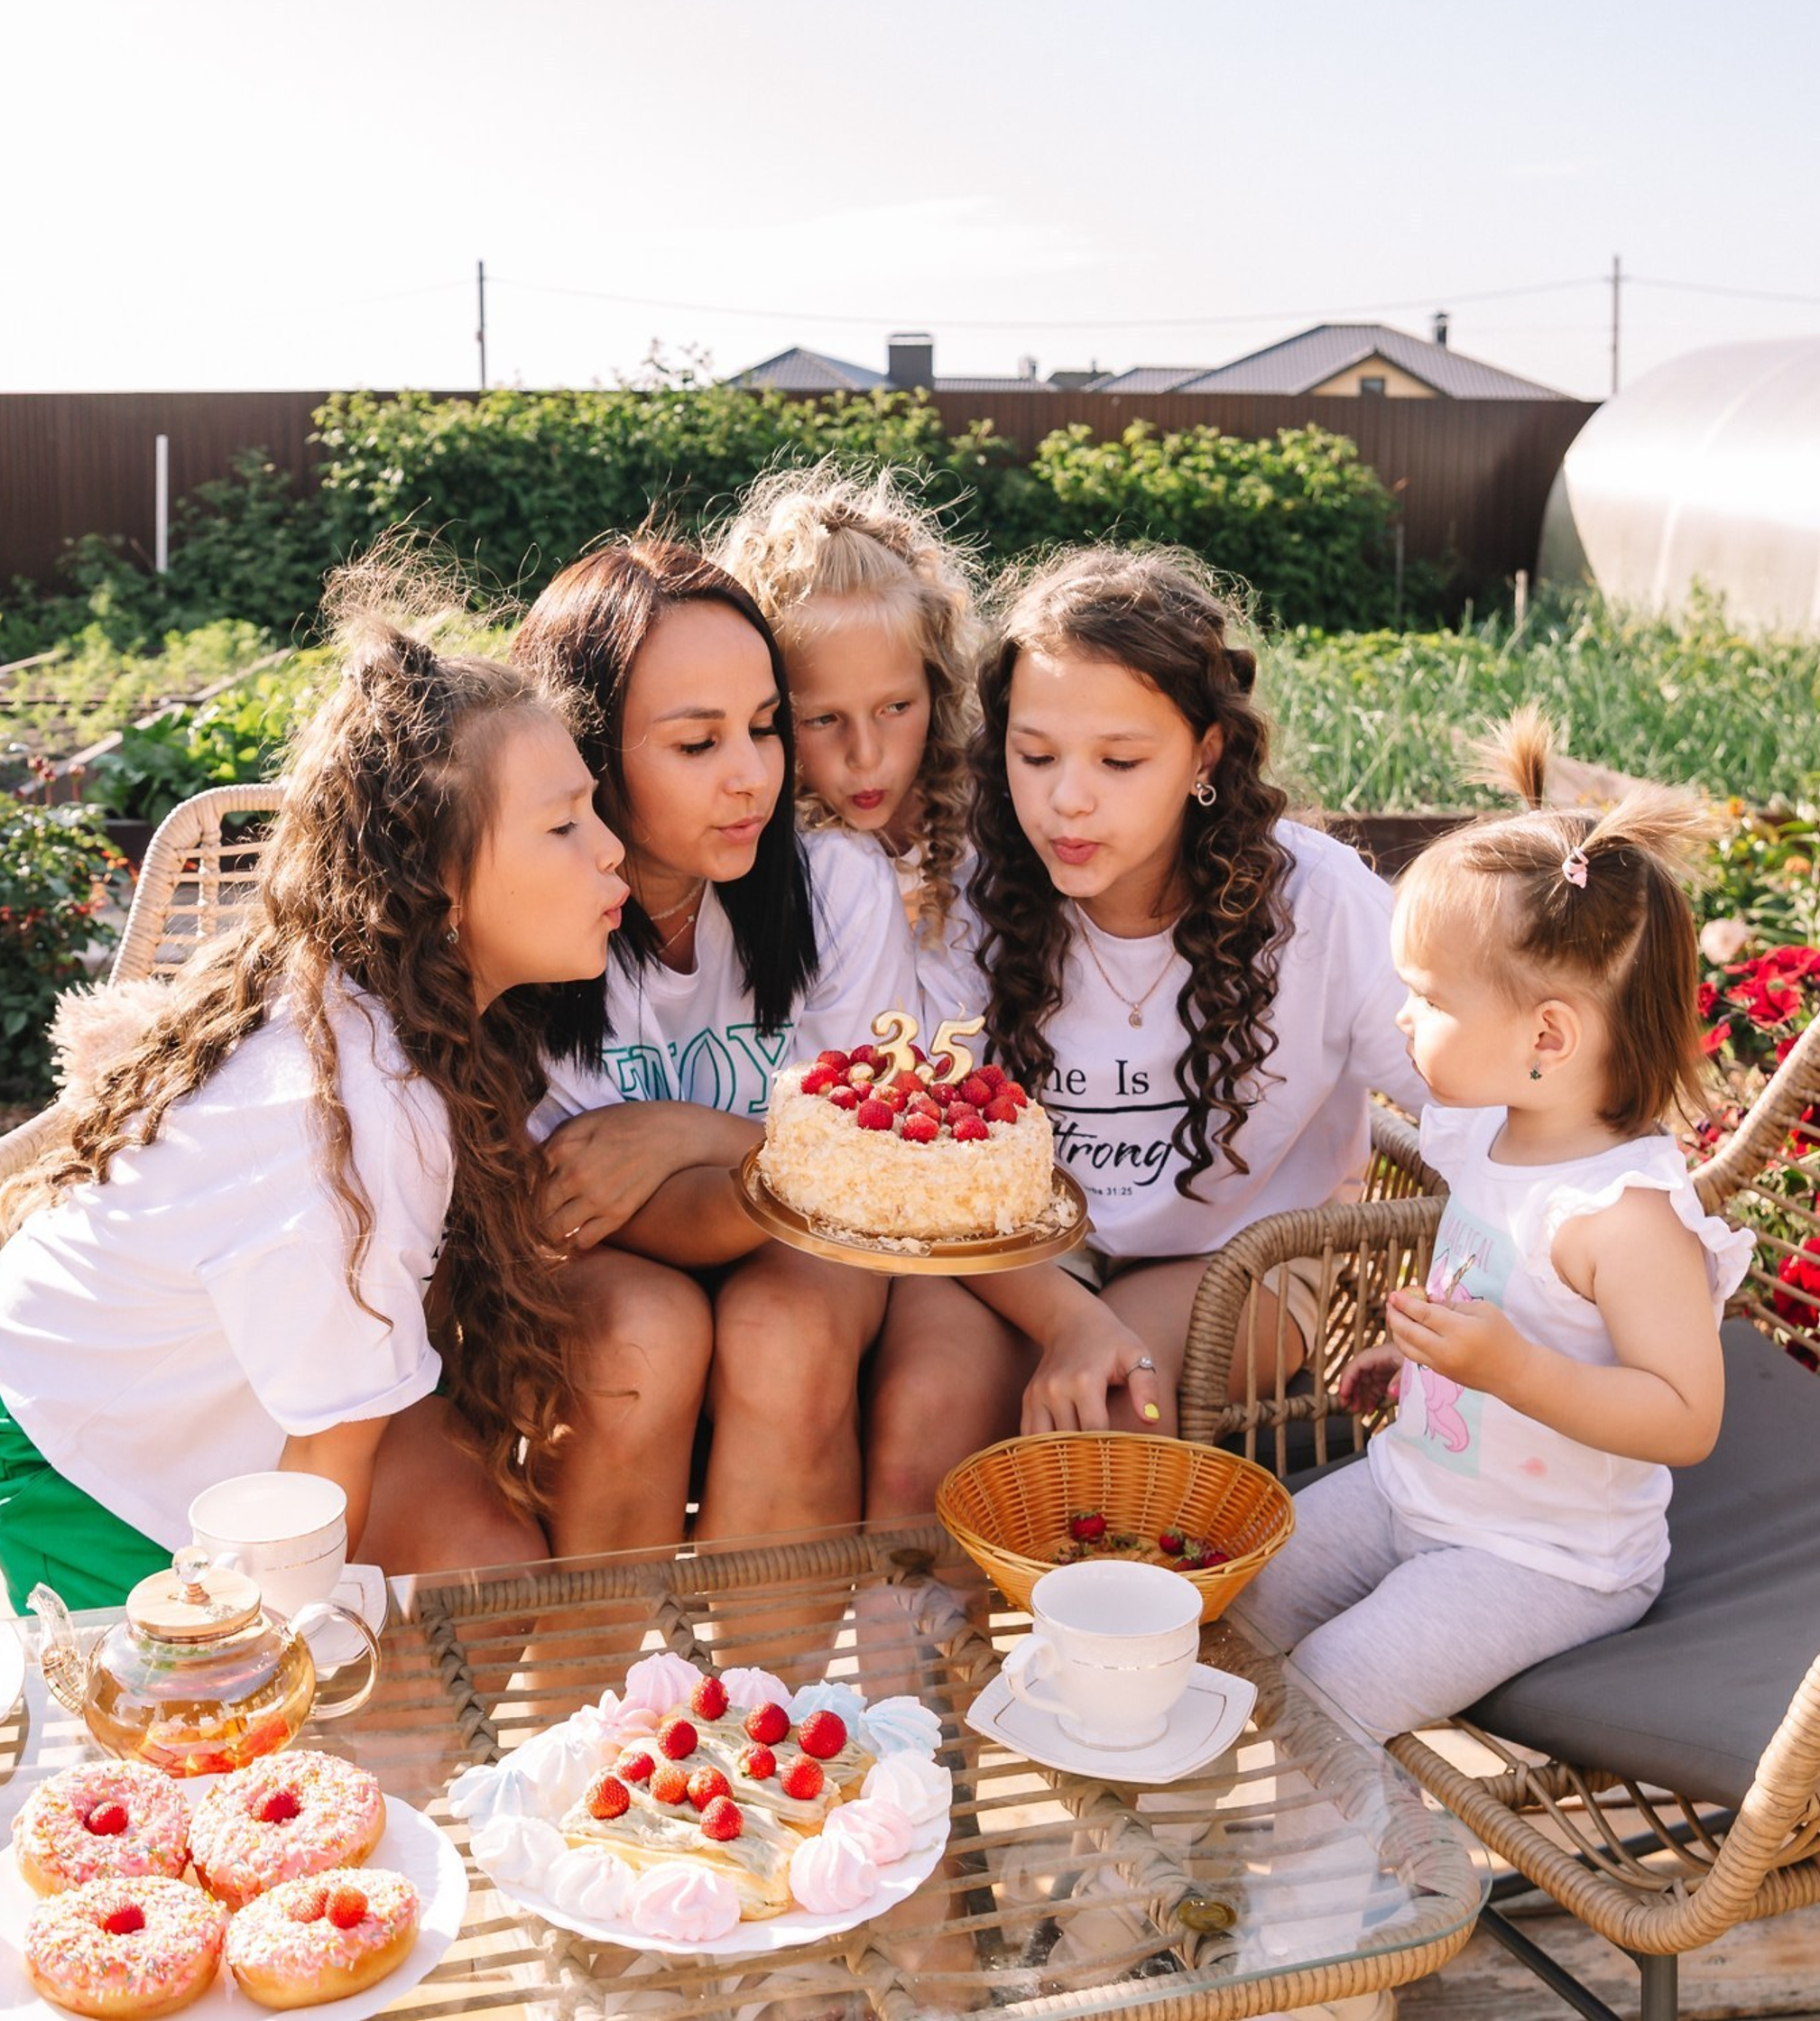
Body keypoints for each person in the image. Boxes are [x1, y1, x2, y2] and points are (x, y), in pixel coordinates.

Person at [0, 571, 702, 1610]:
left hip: (251, 1391)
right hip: (79, 1434)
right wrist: (295, 1691)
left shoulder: (419, 1009)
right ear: (440, 880)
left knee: (493, 1574)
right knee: (238, 1723)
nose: (612, 846)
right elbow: (315, 1501)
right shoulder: (351, 1114)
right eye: (565, 825)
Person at [864, 546, 1427, 1513]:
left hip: (1234, 1256)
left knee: (1112, 1416)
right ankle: (906, 1662)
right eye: (1034, 755)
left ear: (1205, 754)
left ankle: (1067, 1664)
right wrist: (1064, 1314)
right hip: (1011, 1245)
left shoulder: (1320, 907)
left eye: (1119, 761)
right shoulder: (965, 894)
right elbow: (929, 1161)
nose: (1066, 799)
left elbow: (1470, 1106)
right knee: (922, 1412)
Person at [1243, 708, 1751, 1738]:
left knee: (1331, 1689)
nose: (1401, 1016)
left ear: (1546, 1037)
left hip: (1543, 1559)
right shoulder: (1487, 1136)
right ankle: (1214, 1824)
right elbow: (1497, 1297)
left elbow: (1684, 1416)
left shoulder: (1624, 1217)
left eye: (1426, 999)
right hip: (1413, 1490)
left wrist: (1510, 1370)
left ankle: (1357, 1889)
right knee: (1233, 1591)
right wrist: (1423, 1360)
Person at [511, 537, 919, 1540]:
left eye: (766, 727)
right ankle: (602, 1685)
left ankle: (769, 1688)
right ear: (586, 750)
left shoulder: (835, 889)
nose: (751, 777)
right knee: (640, 1338)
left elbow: (876, 1166)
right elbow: (577, 1205)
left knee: (787, 1323)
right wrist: (781, 1152)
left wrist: (683, 1132)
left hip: (810, 1253)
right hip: (603, 1261)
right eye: (698, 745)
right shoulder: (532, 916)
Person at [711, 458, 982, 1023]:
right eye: (823, 719)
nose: (866, 754)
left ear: (940, 687)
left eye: (896, 708)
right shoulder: (751, 858)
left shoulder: (994, 825)